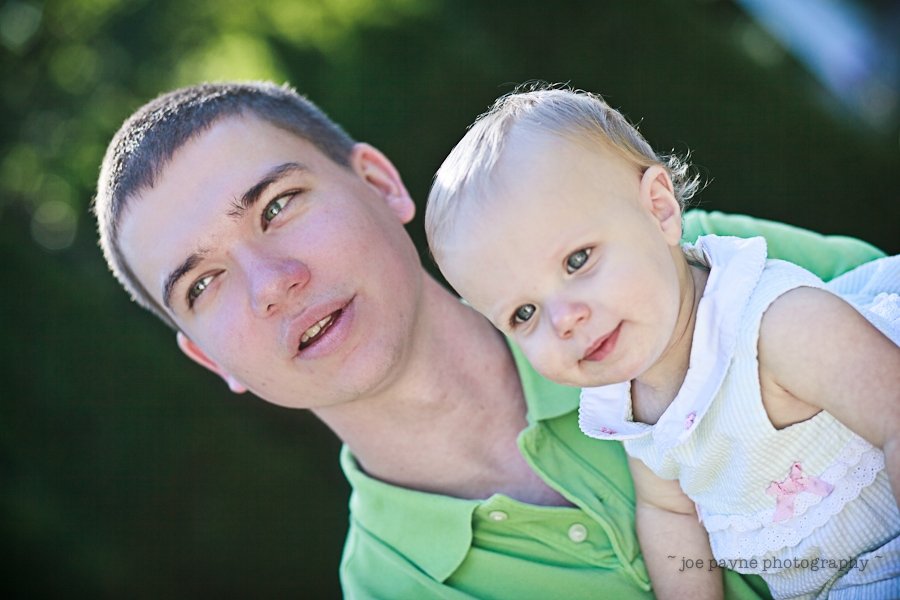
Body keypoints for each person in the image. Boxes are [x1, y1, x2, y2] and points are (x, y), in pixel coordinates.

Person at [93, 81, 887, 599]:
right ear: (209, 358)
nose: (272, 284)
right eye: (202, 286)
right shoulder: (391, 590)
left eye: (277, 206)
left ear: (380, 184)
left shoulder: (687, 274)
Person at [424, 85, 900, 599]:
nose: (564, 320)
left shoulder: (774, 325)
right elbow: (668, 511)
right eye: (524, 313)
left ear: (659, 209)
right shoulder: (630, 405)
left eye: (577, 260)